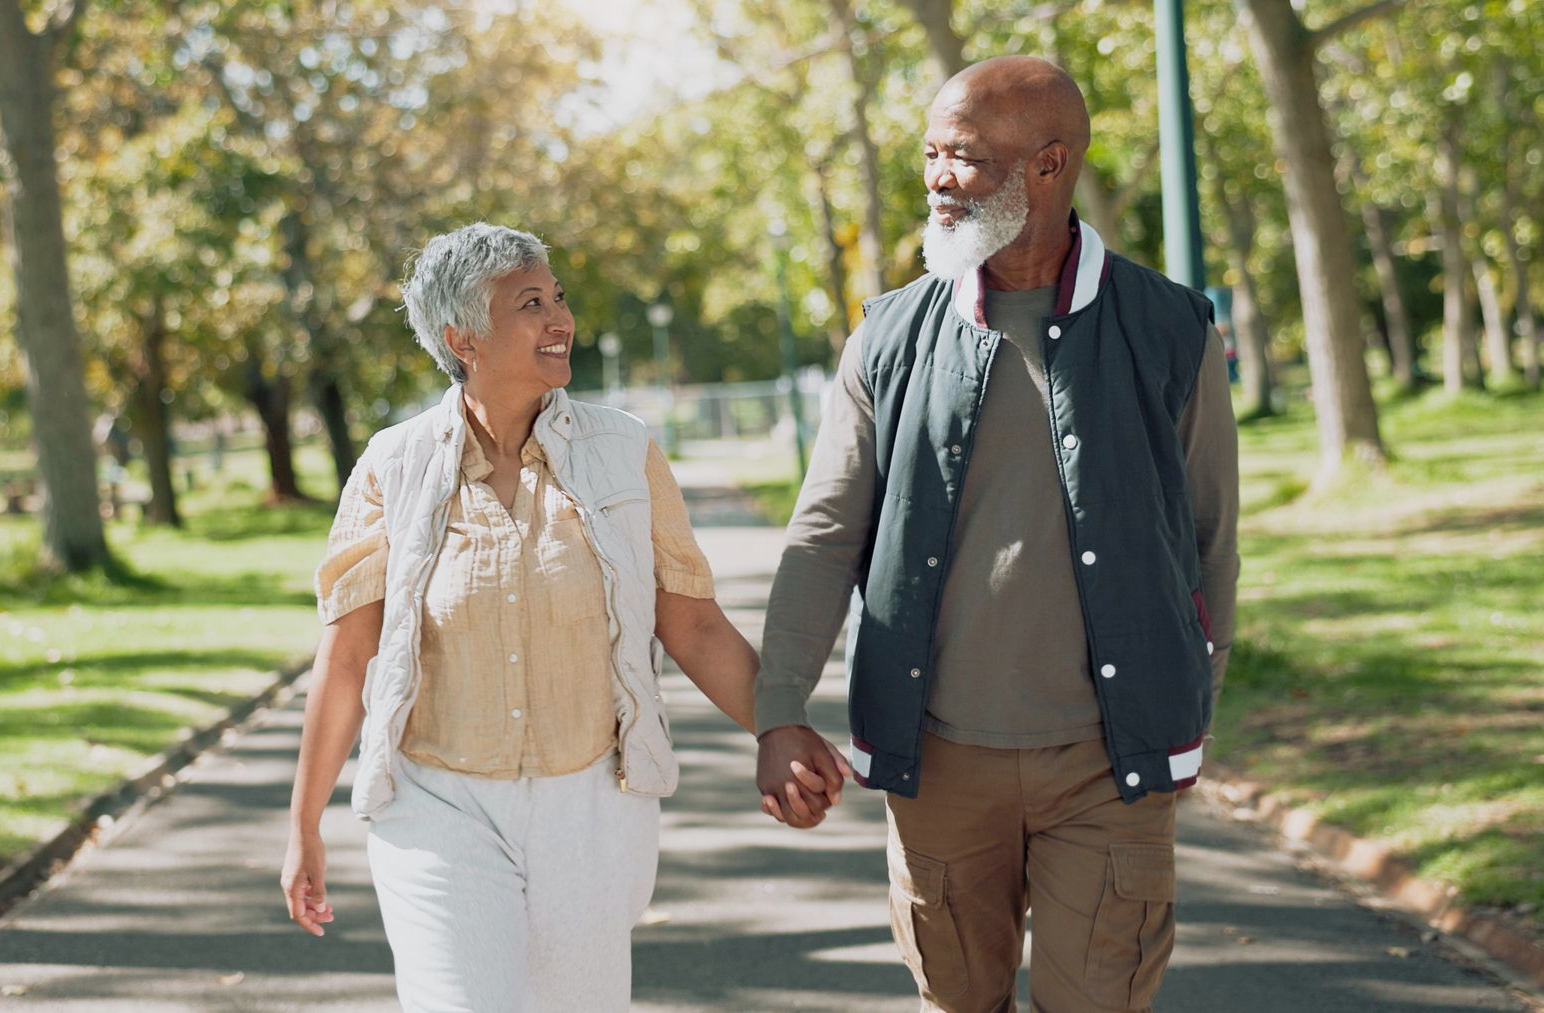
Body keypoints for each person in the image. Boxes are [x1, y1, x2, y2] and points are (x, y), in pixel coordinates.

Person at [754, 57, 1239, 1012]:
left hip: (1109, 766)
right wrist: (779, 709)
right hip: (938, 765)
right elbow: (822, 537)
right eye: (931, 153)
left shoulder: (1171, 327)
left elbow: (1207, 532)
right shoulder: (888, 334)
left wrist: (1187, 707)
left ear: (1049, 166)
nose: (938, 177)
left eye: (965, 158)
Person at [279, 223, 839, 1011]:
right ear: (461, 337)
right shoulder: (392, 467)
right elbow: (346, 657)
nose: (559, 318)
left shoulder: (624, 451)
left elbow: (694, 624)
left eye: (559, 297)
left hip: (592, 807)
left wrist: (779, 724)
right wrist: (304, 825)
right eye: (530, 303)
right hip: (439, 804)